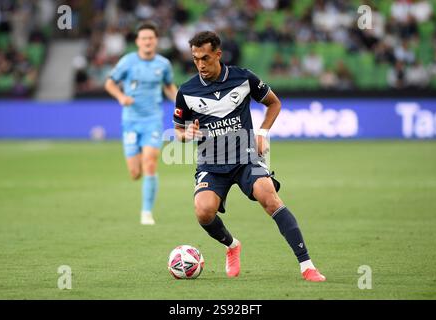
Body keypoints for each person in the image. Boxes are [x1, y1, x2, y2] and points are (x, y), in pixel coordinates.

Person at [173, 31, 326, 281]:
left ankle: (307, 266)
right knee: (203, 211)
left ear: (218, 55)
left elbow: (274, 103)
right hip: (211, 163)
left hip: (246, 157)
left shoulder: (243, 78)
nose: (200, 64)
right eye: (195, 58)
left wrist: (263, 132)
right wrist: (186, 133)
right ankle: (232, 246)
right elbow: (178, 131)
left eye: (205, 58)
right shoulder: (187, 91)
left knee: (270, 197)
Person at [105, 21, 178, 225]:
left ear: (155, 41)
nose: (147, 41)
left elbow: (169, 87)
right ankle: (139, 180)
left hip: (153, 120)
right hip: (131, 120)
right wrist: (121, 97)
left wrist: (181, 102)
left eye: (151, 38)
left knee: (150, 163)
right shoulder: (128, 62)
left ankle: (146, 212)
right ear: (138, 41)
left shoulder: (163, 64)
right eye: (144, 38)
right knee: (135, 172)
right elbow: (109, 83)